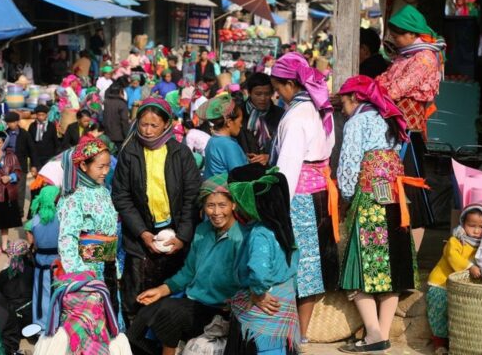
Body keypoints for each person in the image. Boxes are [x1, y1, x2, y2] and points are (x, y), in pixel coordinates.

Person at [336, 75, 421, 353]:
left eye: (344, 103)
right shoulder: (389, 117)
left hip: (370, 195)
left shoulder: (357, 122)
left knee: (362, 264)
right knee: (392, 263)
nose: (343, 109)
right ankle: (382, 336)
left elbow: (348, 164)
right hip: (395, 196)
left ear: (356, 98)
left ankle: (373, 333)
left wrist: (347, 197)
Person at [126, 174, 245, 355]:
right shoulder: (202, 230)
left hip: (219, 310)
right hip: (194, 303)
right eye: (210, 205)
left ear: (233, 205)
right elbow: (188, 272)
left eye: (222, 205)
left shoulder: (242, 237)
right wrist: (161, 290)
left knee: (170, 312)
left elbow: (246, 279)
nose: (216, 212)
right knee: (142, 319)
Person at [112, 98, 200, 326]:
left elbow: (192, 196)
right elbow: (121, 196)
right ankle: (137, 341)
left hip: (175, 235)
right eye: (143, 124)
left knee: (171, 293)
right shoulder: (129, 153)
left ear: (166, 125)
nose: (148, 130)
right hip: (140, 237)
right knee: (137, 295)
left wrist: (182, 237)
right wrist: (142, 233)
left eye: (154, 125)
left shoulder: (180, 154)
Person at [269, 52, 338, 343]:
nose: (275, 92)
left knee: (293, 260)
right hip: (319, 192)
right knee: (311, 263)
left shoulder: (296, 116)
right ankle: (302, 333)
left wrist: (276, 207)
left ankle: (288, 332)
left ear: (287, 84)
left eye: (276, 86)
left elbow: (287, 167)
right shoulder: (318, 107)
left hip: (298, 195)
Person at [376, 4, 446, 251]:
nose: (393, 39)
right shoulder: (404, 56)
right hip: (391, 132)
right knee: (387, 188)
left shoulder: (424, 58)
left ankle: (411, 260)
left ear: (409, 33)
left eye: (396, 35)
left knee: (411, 193)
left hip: (408, 134)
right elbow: (382, 82)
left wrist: (367, 93)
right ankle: (391, 251)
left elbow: (395, 90)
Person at [224, 164, 300, 355]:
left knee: (266, 348)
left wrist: (259, 292)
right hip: (284, 301)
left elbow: (259, 271)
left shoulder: (260, 234)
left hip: (266, 306)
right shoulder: (281, 226)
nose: (234, 206)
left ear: (248, 200)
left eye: (235, 199)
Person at [56, 138, 119, 314]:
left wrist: (116, 268)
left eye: (108, 166)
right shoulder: (74, 198)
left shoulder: (104, 191)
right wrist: (79, 275)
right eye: (101, 167)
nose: (106, 171)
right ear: (83, 166)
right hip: (87, 273)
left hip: (109, 269)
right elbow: (67, 238)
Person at [427, 204, 482, 354]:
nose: (476, 231)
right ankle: (439, 342)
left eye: (481, 227)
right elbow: (452, 256)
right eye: (471, 225)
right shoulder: (456, 240)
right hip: (441, 283)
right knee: (439, 310)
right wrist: (469, 267)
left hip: (461, 288)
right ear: (462, 224)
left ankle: (456, 342)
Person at [24, 185, 61, 330]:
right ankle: (56, 324)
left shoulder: (34, 221)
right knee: (58, 294)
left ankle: (40, 325)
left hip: (40, 262)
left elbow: (32, 243)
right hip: (58, 263)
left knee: (40, 294)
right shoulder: (62, 217)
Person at [237, 73, 284, 165]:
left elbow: (286, 146)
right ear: (249, 93)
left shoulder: (280, 115)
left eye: (267, 94)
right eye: (258, 94)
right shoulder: (238, 113)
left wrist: (270, 157)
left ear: (272, 93)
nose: (263, 98)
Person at [198, 94, 247, 179]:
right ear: (229, 122)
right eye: (240, 121)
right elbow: (241, 177)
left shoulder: (213, 140)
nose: (241, 125)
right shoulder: (229, 145)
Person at [0, 130, 22, 254]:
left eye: (0, 142)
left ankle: (4, 245)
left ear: (4, 142)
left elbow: (18, 171)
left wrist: (10, 177)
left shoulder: (11, 155)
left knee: (5, 222)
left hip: (8, 193)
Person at [5, 112, 38, 219]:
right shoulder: (5, 134)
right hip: (7, 166)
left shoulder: (25, 134)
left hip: (21, 166)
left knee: (20, 190)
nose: (10, 124)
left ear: (17, 122)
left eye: (12, 122)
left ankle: (19, 212)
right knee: (8, 189)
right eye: (8, 122)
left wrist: (33, 165)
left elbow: (32, 150)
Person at [0, 240, 34, 330]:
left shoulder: (2, 275)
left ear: (9, 255)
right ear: (26, 254)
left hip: (11, 320)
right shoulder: (33, 271)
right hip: (31, 318)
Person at [103, 84, 130, 148]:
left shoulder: (106, 102)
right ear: (120, 92)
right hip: (119, 136)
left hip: (107, 134)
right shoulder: (122, 104)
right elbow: (124, 121)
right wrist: (127, 135)